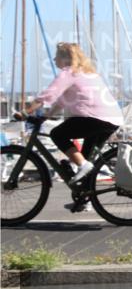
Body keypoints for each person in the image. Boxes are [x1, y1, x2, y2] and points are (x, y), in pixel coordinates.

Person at [18, 43, 124, 200]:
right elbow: (61, 102)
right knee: (86, 159)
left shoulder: (69, 73)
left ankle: (83, 165)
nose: (54, 59)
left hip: (95, 118)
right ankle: (85, 198)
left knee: (57, 134)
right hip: (113, 120)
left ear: (65, 58)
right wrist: (45, 116)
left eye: (56, 56)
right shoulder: (87, 73)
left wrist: (26, 112)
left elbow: (48, 95)